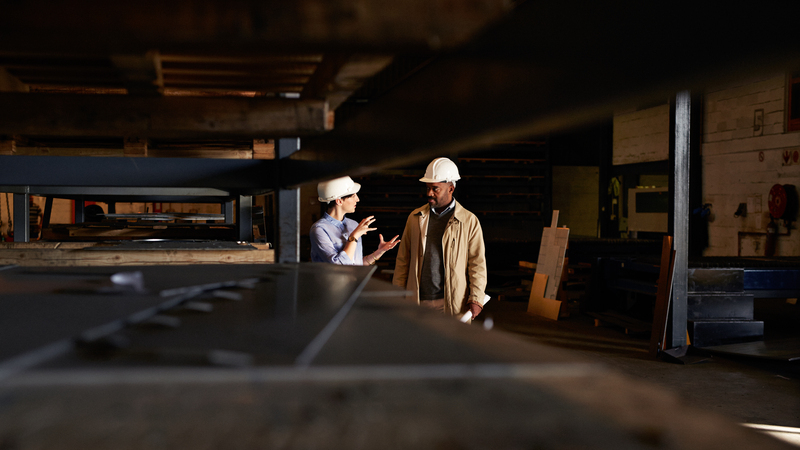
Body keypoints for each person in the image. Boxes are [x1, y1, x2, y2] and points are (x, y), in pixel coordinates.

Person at [392, 157, 488, 318]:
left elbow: (477, 263)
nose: (429, 193)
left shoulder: (468, 221)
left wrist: (476, 298)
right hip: (417, 301)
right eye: (428, 188)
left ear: (451, 188)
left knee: (449, 343)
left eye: (435, 189)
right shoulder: (415, 218)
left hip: (451, 303)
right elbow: (403, 261)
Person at [310, 176, 400, 265]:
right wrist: (354, 236)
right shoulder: (319, 229)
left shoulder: (353, 224)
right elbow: (339, 265)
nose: (357, 199)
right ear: (339, 201)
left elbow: (356, 264)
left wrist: (379, 252)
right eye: (353, 196)